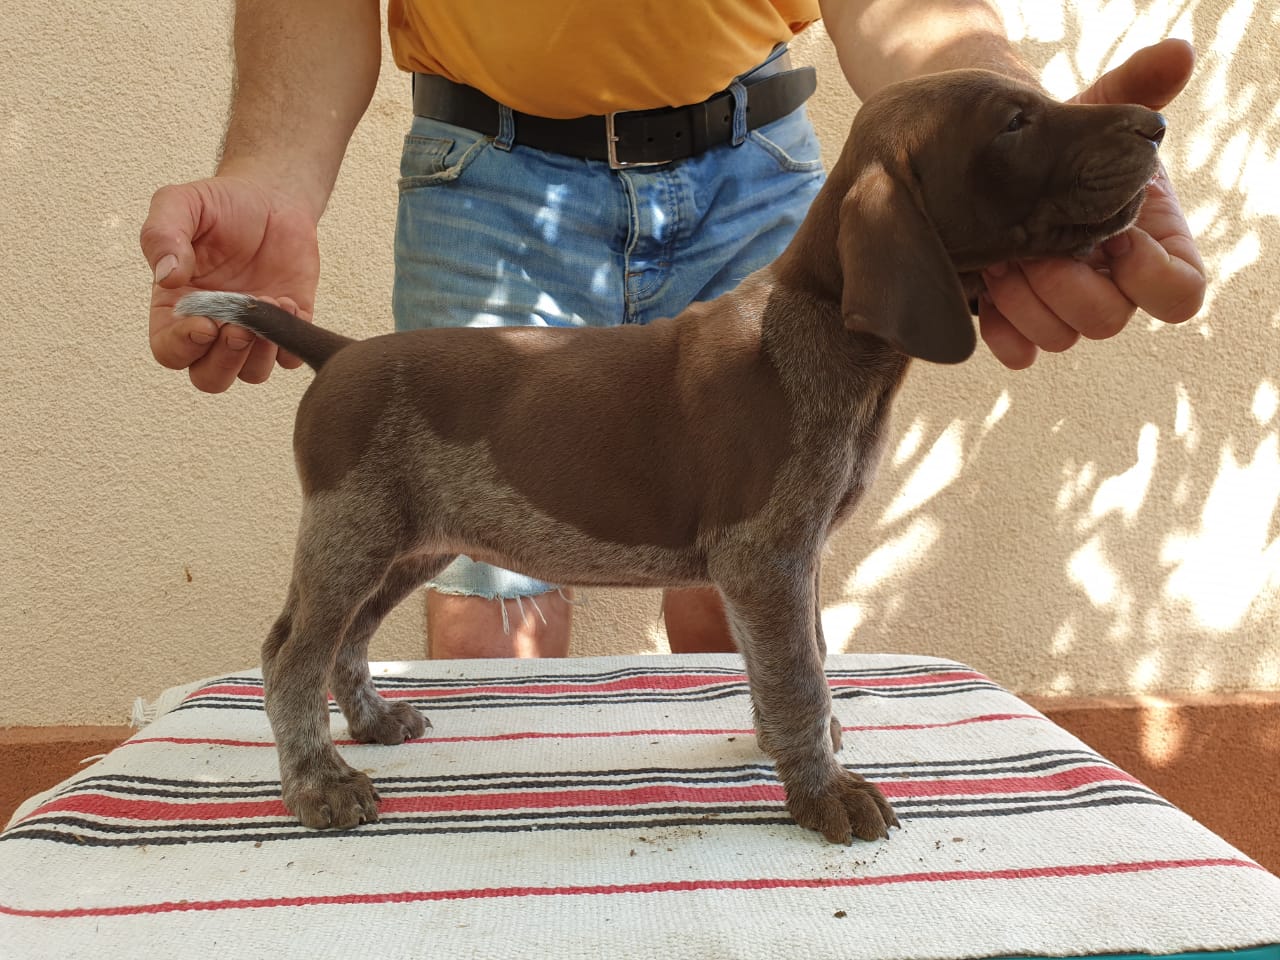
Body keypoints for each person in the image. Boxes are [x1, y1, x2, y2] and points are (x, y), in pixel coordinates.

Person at [141, 1, 1205, 660]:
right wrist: (271, 170)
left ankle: (737, 902)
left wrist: (1015, 137)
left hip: (753, 159)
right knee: (485, 593)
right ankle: (493, 888)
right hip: (487, 169)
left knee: (752, 566)